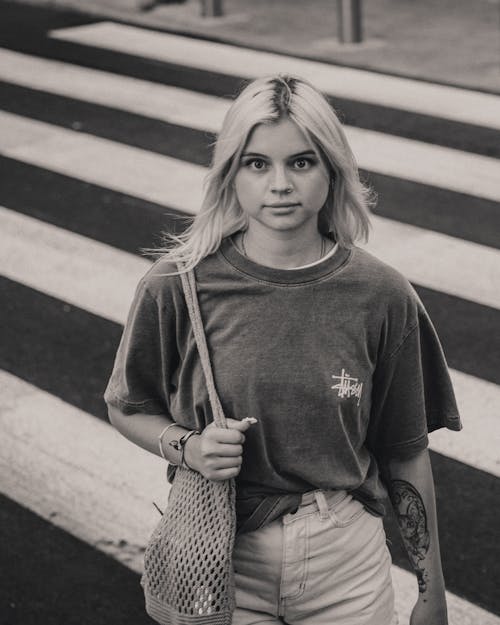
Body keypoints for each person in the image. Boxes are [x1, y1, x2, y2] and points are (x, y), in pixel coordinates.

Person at [104, 74, 462, 625]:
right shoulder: (177, 284)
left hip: (347, 560)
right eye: (256, 163)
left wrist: (430, 591)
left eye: (301, 162)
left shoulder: (382, 295)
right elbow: (127, 404)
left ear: (332, 170)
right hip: (221, 555)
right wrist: (187, 447)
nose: (280, 184)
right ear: (230, 173)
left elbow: (405, 449)